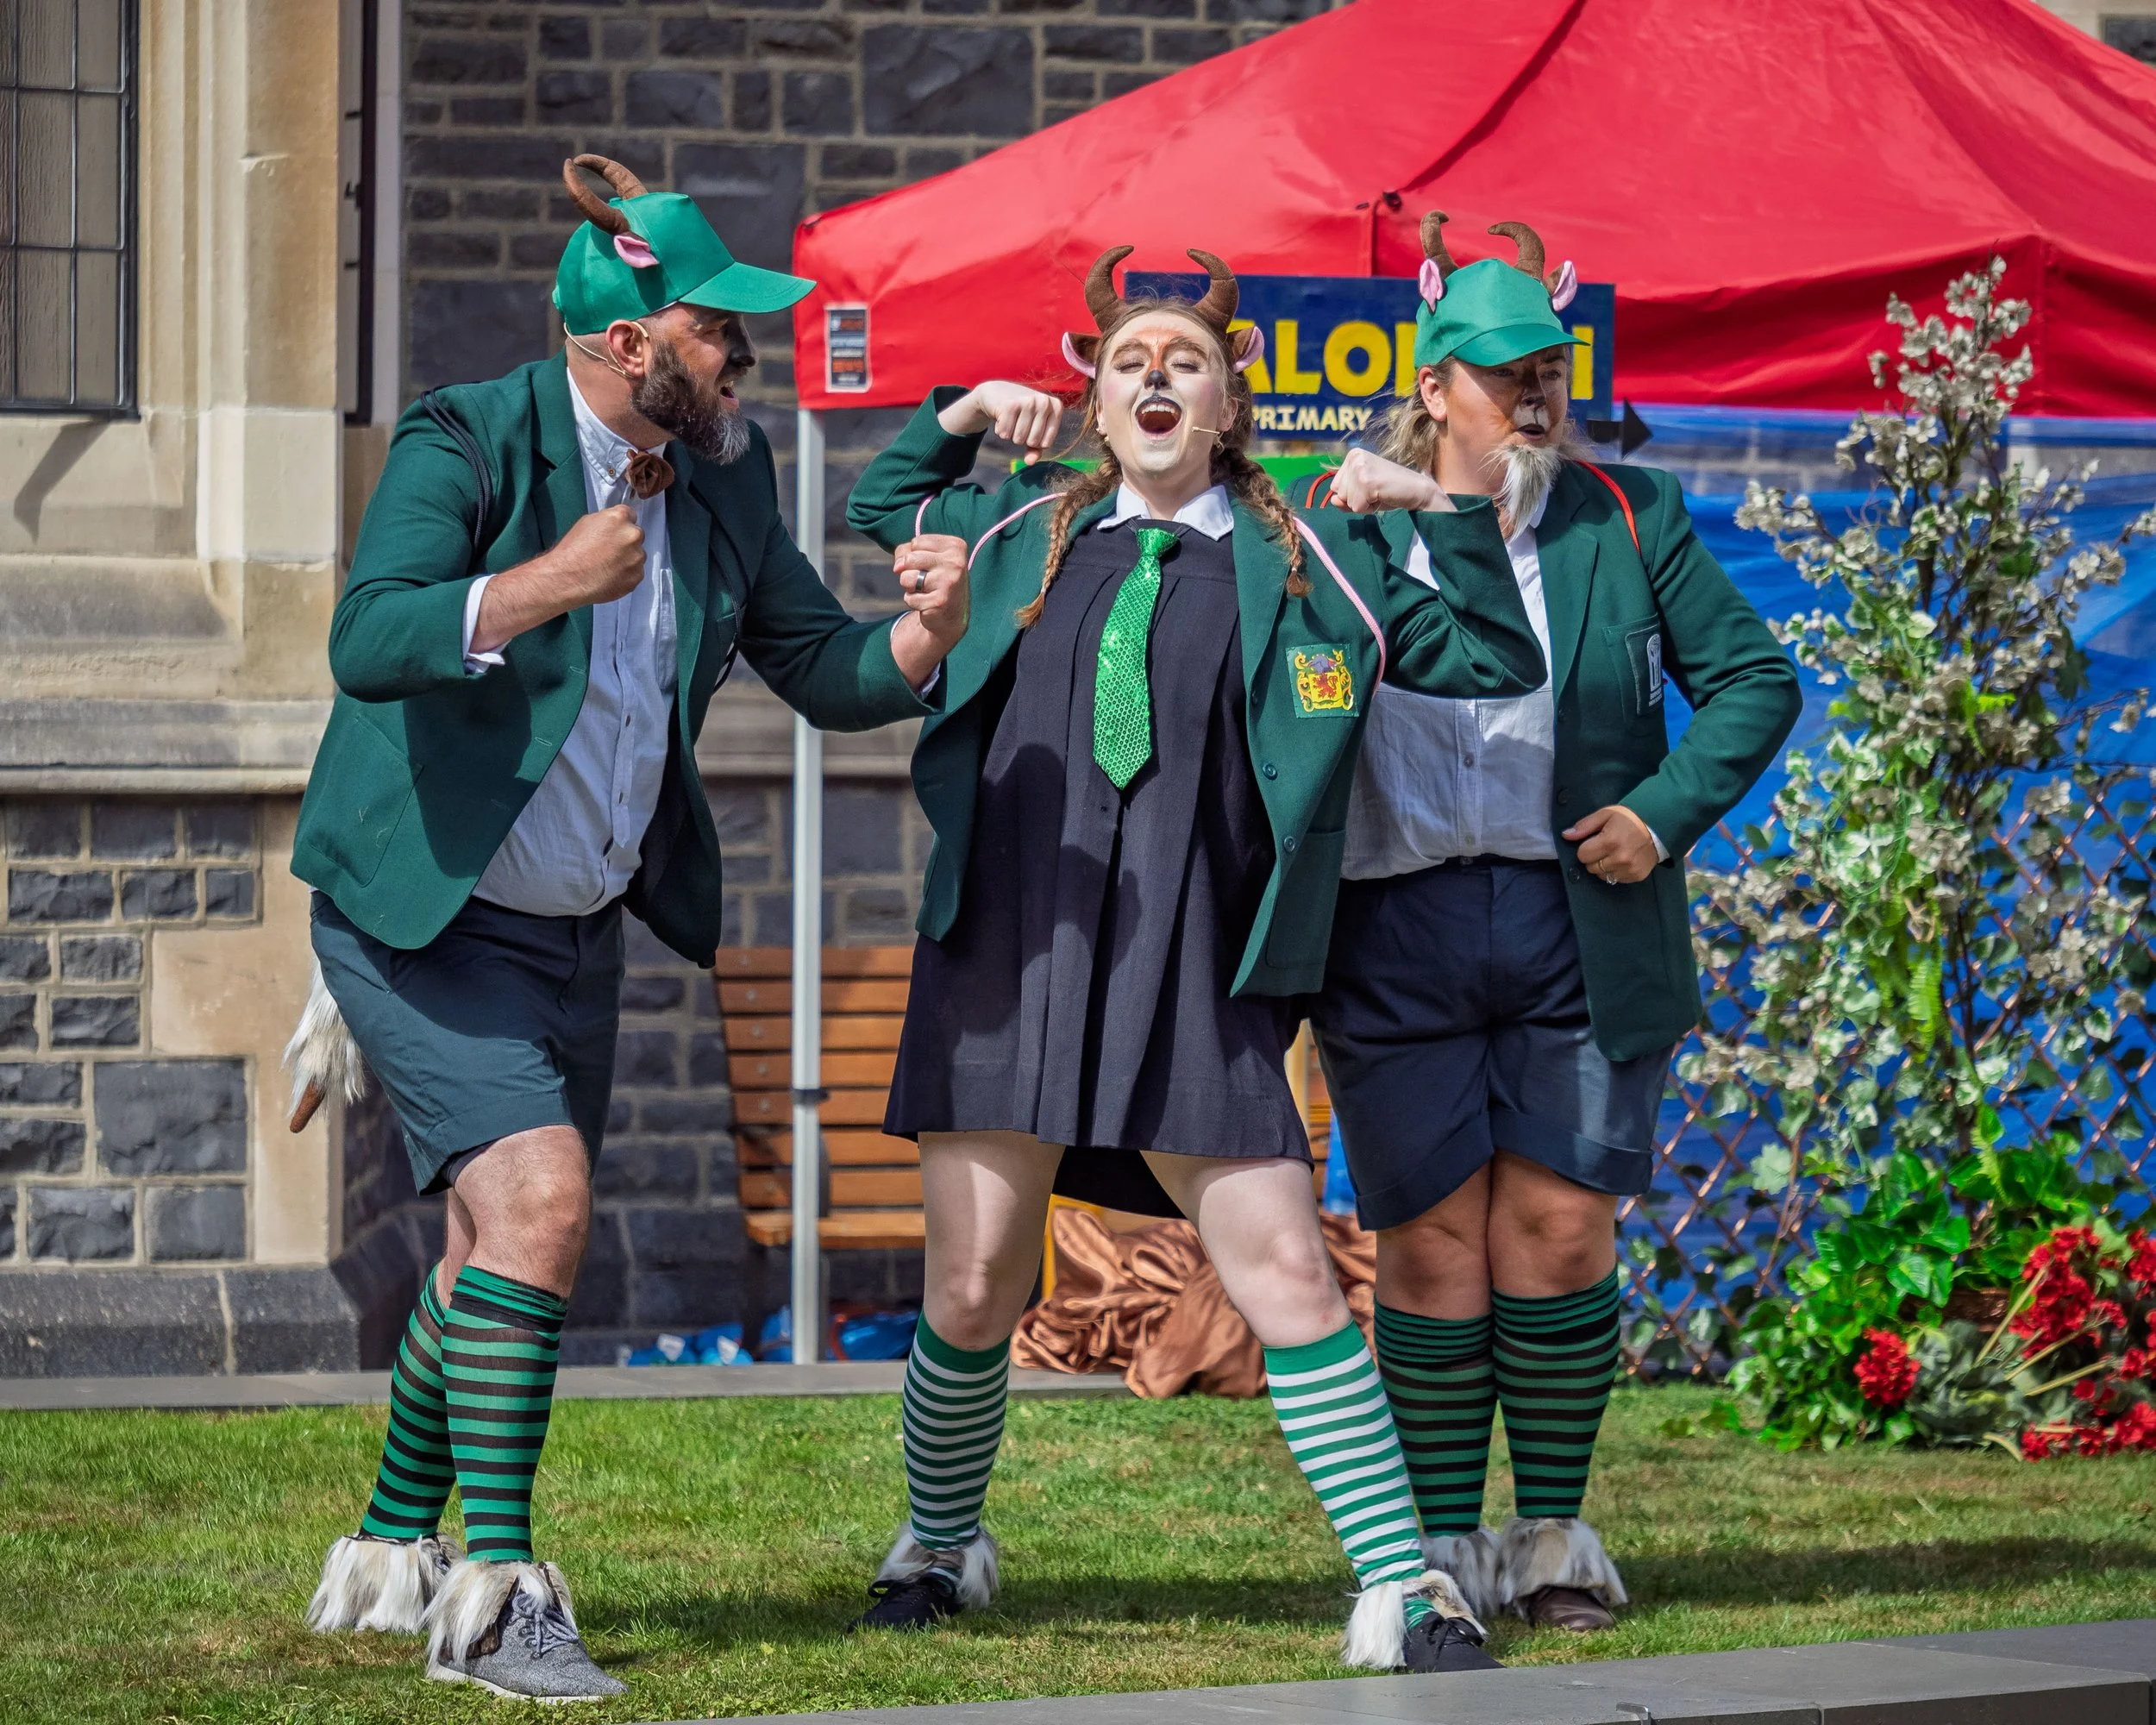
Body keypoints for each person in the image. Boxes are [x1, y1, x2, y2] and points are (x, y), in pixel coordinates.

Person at [293, 156, 969, 1703]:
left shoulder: (728, 477)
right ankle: (500, 1596)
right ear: (625, 341)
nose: (747, 355)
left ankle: (396, 1546)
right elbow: (369, 636)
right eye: (719, 330)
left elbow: (822, 666)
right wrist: (540, 585)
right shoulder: (469, 433)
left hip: (577, 929)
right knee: (541, 1203)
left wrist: (934, 628)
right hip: (422, 913)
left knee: (485, 1251)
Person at [838, 246, 1551, 1673]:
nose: (1157, 380)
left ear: (1231, 407)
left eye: (1187, 363)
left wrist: (1439, 512)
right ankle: (935, 1542)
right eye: (1129, 363)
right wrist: (965, 411)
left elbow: (1491, 657)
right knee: (976, 1285)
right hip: (1008, 953)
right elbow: (877, 504)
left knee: (1288, 1269)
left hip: (1198, 969)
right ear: (1094, 403)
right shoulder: (1012, 534)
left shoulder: (1319, 564)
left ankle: (1404, 1594)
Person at [1303, 213, 1802, 1640]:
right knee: (1430, 1241)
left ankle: (1557, 1536)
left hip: (1585, 907)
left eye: (1548, 367)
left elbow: (1754, 680)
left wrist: (1664, 807)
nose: (1535, 390)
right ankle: (1448, 1544)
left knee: (1563, 1227)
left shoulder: (1623, 513)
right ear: (1437, 377)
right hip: (1393, 919)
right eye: (1507, 367)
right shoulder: (1341, 511)